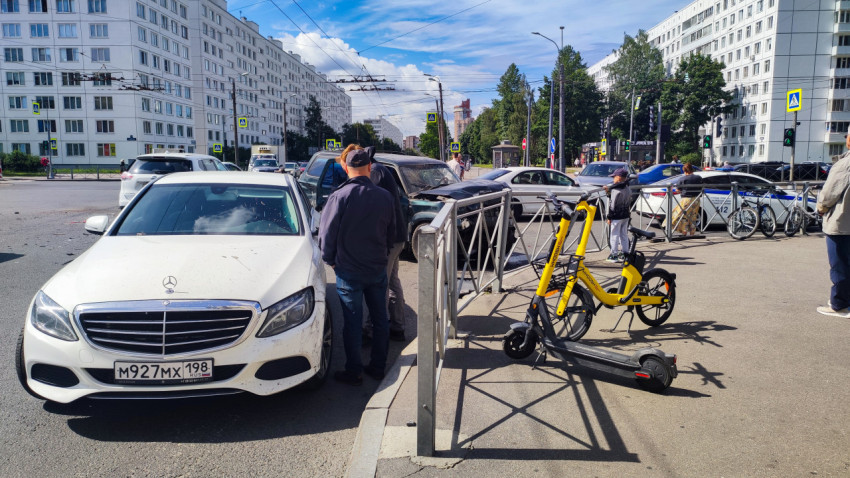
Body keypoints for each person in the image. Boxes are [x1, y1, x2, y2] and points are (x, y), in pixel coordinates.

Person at [319, 147, 396, 385]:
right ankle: (378, 367)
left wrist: (329, 259)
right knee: (380, 319)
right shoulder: (385, 196)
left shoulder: (339, 196)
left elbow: (327, 234)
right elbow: (390, 235)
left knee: (352, 322)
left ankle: (354, 372)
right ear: (370, 167)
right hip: (376, 269)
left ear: (345, 167)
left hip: (349, 271)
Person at [362, 146, 408, 342]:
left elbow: (371, 203)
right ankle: (397, 327)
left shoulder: (375, 172)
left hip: (388, 238)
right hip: (396, 236)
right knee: (391, 281)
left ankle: (372, 330)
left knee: (378, 284)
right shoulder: (380, 170)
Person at [816, 133, 850, 317]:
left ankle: (839, 305)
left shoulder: (845, 164)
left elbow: (829, 193)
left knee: (840, 264)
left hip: (842, 221)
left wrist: (821, 208)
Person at [603, 168, 632, 262]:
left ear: (619, 178)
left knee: (614, 235)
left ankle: (614, 254)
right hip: (626, 214)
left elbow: (613, 205)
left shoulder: (616, 189)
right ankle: (625, 253)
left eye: (614, 177)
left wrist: (609, 217)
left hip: (616, 216)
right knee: (623, 234)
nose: (613, 179)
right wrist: (608, 192)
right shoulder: (627, 187)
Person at [666, 163, 702, 236]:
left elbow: (678, 190)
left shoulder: (683, 179)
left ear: (684, 171)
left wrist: (672, 189)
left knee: (684, 216)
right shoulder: (698, 177)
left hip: (686, 199)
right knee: (693, 216)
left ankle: (684, 232)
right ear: (692, 169)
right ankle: (692, 233)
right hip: (696, 199)